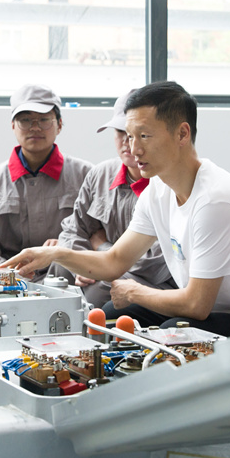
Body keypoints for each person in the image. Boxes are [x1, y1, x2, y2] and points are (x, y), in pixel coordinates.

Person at [4, 81, 230, 337]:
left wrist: (134, 292)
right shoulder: (158, 190)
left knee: (170, 333)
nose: (133, 148)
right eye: (129, 136)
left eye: (144, 136)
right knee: (111, 316)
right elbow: (115, 261)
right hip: (212, 309)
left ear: (182, 133)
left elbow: (196, 305)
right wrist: (53, 254)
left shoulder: (215, 200)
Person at [58, 89, 176, 305]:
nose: (127, 142)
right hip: (105, 267)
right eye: (121, 132)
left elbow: (156, 264)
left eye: (139, 134)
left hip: (153, 282)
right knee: (59, 268)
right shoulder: (100, 175)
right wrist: (83, 265)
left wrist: (101, 249)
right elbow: (73, 230)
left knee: (100, 292)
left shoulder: (170, 185)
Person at [0, 84, 92, 281]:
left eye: (44, 120)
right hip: (9, 283)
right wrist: (12, 276)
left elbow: (96, 235)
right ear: (13, 126)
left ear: (60, 125)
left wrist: (65, 247)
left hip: (70, 279)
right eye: (25, 120)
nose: (35, 127)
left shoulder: (86, 175)